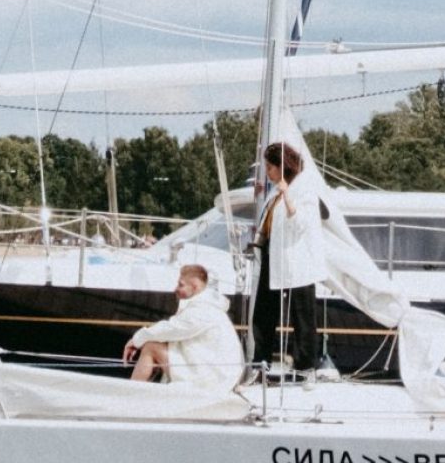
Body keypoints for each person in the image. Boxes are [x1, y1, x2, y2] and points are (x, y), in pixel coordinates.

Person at [253, 141, 326, 376]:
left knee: (302, 316)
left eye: (270, 168)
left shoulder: (303, 190)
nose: (268, 172)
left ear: (281, 166)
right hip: (272, 256)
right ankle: (260, 363)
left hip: (297, 261)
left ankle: (306, 366)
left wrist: (287, 197)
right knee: (263, 312)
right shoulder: (275, 191)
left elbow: (301, 224)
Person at [122, 264, 243, 391]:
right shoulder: (207, 306)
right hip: (210, 371)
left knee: (151, 347)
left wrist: (136, 340)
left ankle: (130, 395)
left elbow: (170, 329)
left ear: (194, 287)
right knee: (158, 345)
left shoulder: (203, 310)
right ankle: (145, 394)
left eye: (181, 285)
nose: (175, 289)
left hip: (212, 379)